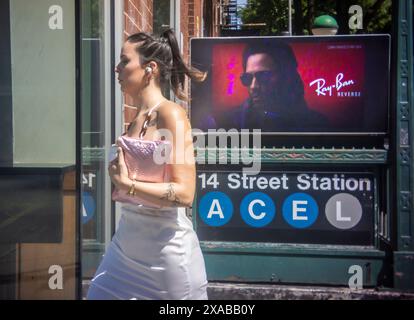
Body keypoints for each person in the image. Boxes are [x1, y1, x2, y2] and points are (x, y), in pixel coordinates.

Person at [86, 29, 208, 300]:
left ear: (150, 68)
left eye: (124, 61)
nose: (117, 68)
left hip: (165, 260)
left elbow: (185, 193)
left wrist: (128, 185)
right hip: (124, 249)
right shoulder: (134, 120)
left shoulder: (171, 115)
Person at [217, 40, 329, 131]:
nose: (253, 87)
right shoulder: (229, 121)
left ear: (286, 76)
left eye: (263, 76)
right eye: (247, 78)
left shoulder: (317, 124)